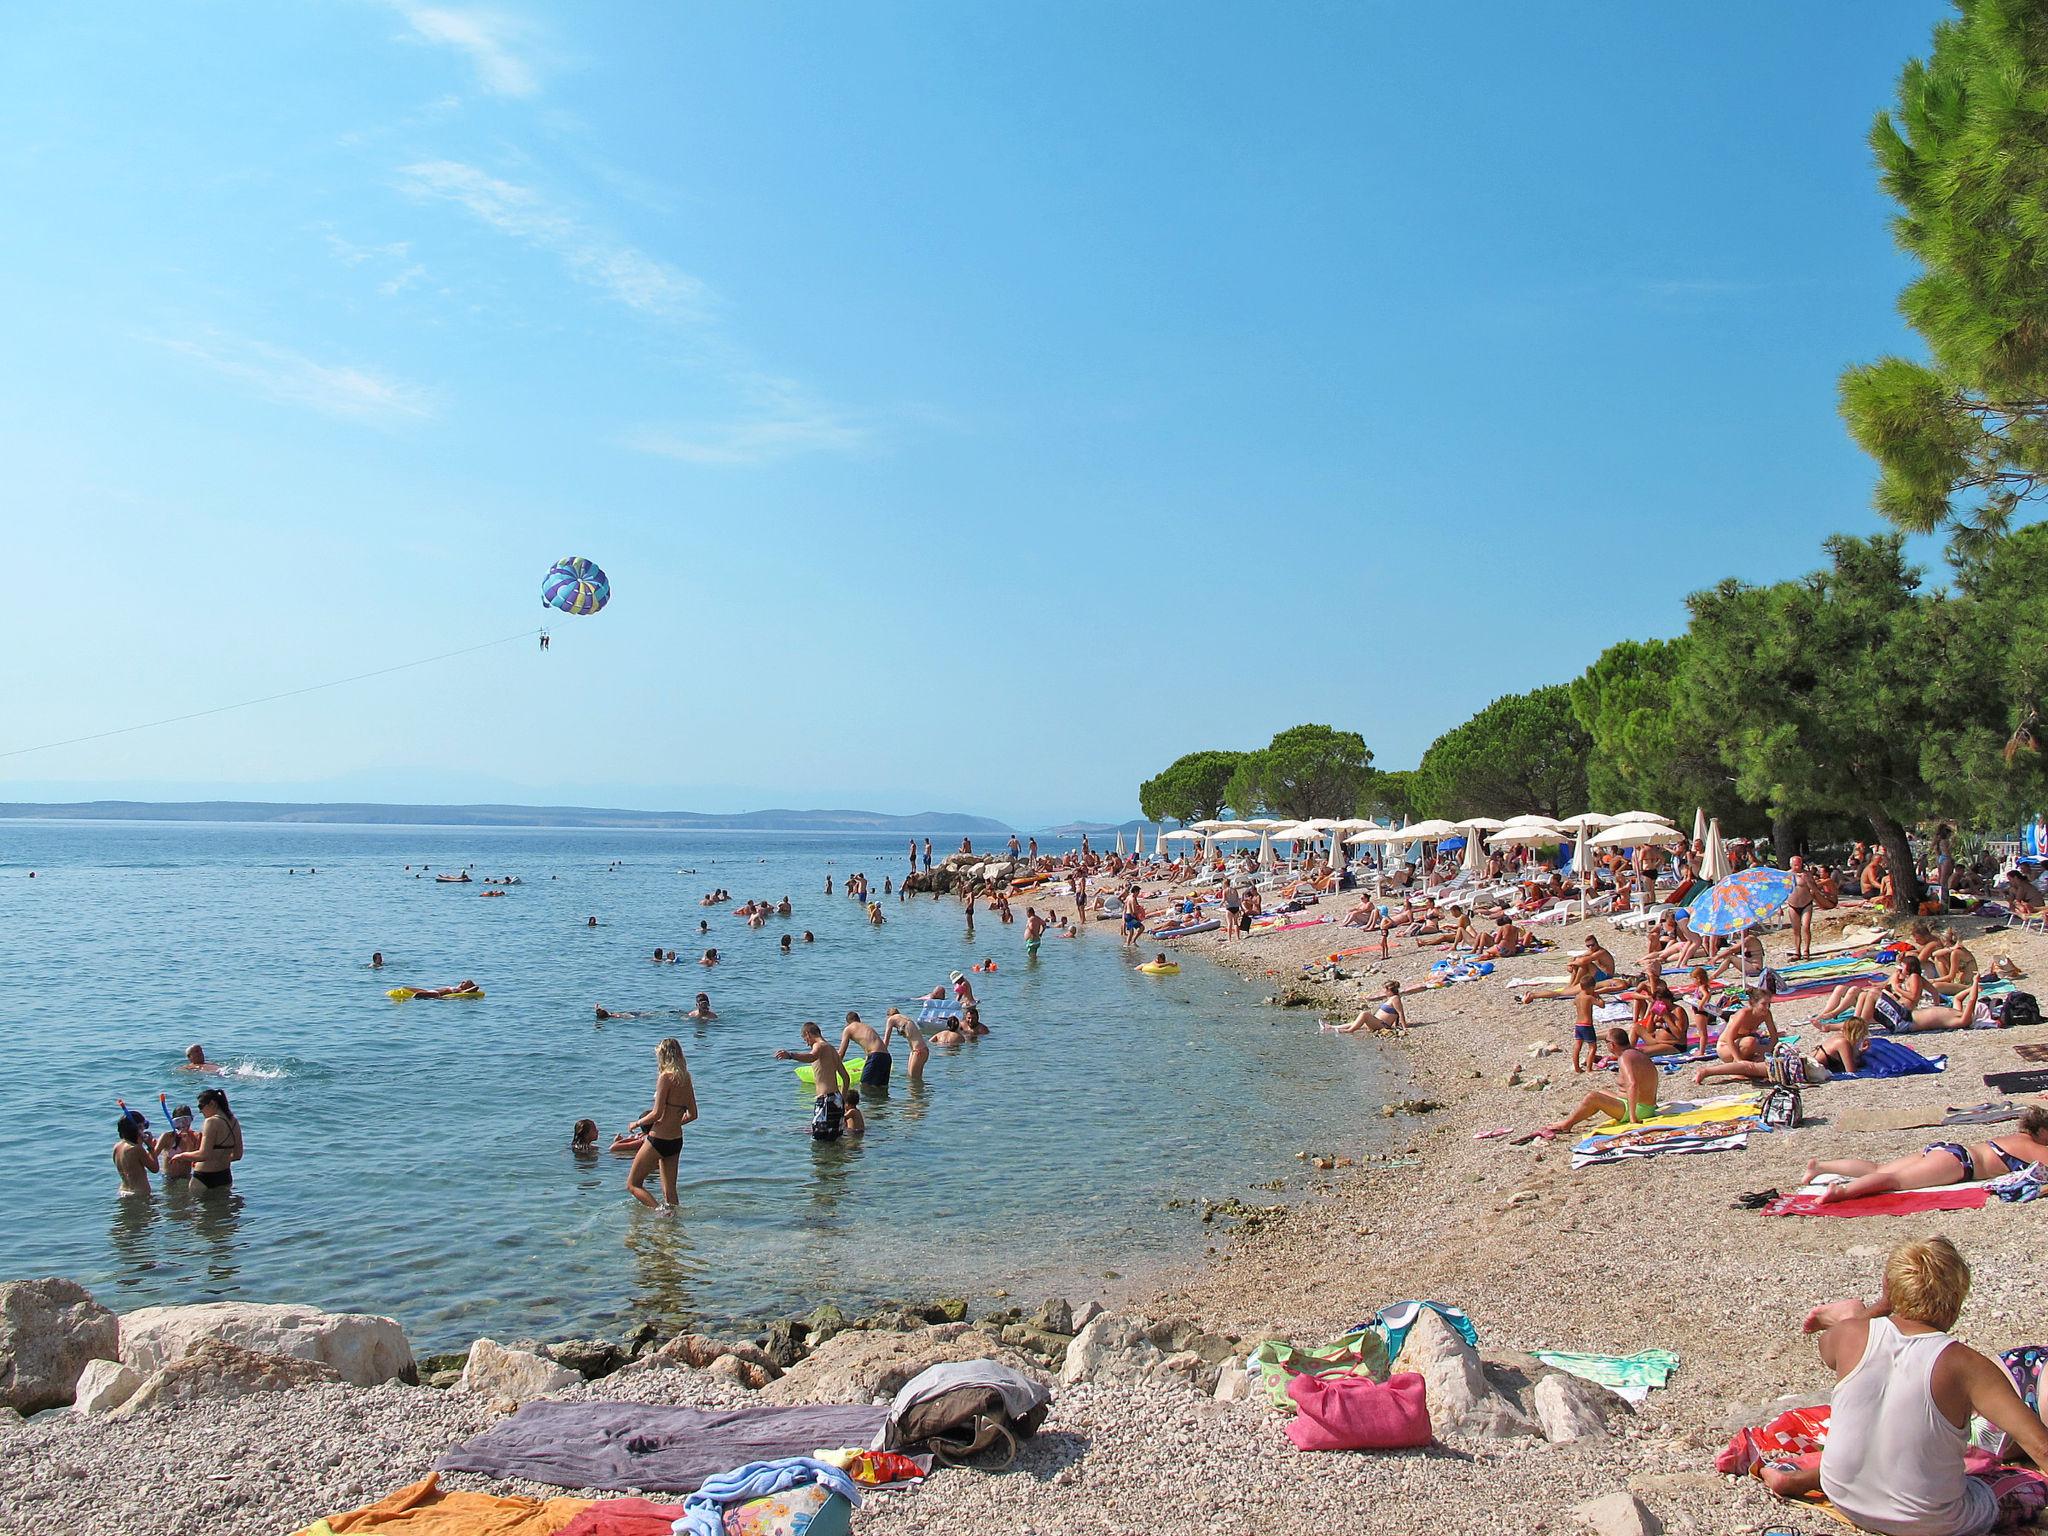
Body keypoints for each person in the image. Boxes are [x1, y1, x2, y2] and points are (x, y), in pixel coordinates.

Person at [1757, 1238, 2048, 1533]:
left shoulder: (1847, 1336)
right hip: (1931, 1522)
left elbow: (1827, 1350)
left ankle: (1798, 1480)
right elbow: (2040, 1446)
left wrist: (1881, 1307)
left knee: (1879, 1447)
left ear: (1890, 1287)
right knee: (2025, 1482)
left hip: (1844, 1497)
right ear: (1957, 1297)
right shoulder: (1966, 1364)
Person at [1804, 1105, 2048, 1205]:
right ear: (2043, 1131)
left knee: (1880, 1169)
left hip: (1950, 1152)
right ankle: (1842, 1191)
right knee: (1894, 1181)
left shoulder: (2017, 1138)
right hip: (1960, 1164)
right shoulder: (2032, 1146)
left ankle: (1821, 1167)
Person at [1536, 1028, 1659, 1138]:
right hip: (1647, 1106)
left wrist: (1633, 1118)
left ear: (1612, 1045)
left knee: (1593, 1097)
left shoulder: (1624, 1058)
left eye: (1606, 1042)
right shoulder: (1637, 1054)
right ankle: (1577, 1118)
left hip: (1640, 1110)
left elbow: (1633, 1084)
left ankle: (1566, 1125)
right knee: (1601, 1093)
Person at [624, 1038, 696, 1213]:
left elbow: (656, 1113)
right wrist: (674, 1122)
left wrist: (637, 1123)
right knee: (670, 1192)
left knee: (633, 1184)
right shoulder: (686, 1078)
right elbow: (693, 1115)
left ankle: (661, 1212)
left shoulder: (665, 1077)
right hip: (676, 1140)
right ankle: (674, 1229)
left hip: (658, 1139)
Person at [776, 1023, 849, 1139]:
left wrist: (790, 1055)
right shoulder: (832, 1049)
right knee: (834, 1139)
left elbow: (811, 1056)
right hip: (836, 1099)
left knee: (819, 1140)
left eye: (804, 1039)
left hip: (825, 1100)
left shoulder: (818, 1046)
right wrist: (842, 1100)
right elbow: (846, 1077)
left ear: (808, 1034)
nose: (806, 1043)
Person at [171, 1088, 243, 1190]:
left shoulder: (211, 1121)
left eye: (201, 1106)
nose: (200, 1111)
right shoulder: (234, 1121)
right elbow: (238, 1155)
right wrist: (219, 1158)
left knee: (195, 1205)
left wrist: (181, 1156)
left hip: (204, 1177)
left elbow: (203, 1154)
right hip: (225, 1176)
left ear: (212, 1103)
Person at [840, 1010, 890, 1091]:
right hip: (886, 1057)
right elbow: (872, 1049)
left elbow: (841, 1053)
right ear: (859, 1020)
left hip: (875, 1056)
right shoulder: (867, 1027)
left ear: (847, 1022)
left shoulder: (848, 1029)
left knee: (864, 1086)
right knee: (882, 1088)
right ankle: (882, 1104)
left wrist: (834, 1069)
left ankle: (867, 1103)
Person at [1336, 980, 1407, 1034]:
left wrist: (1404, 1026)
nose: (1383, 991)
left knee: (1365, 1014)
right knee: (1355, 1023)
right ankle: (1332, 1027)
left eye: (1384, 989)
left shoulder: (1395, 998)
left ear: (1388, 989)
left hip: (1383, 1025)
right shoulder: (1391, 998)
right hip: (1377, 1022)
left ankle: (1350, 1031)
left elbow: (1400, 1012)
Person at [113, 1115, 159, 1194]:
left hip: (123, 1192)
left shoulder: (117, 1147)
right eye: (143, 1127)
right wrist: (150, 1147)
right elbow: (155, 1169)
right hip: (139, 1195)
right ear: (138, 1130)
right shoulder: (137, 1149)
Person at [155, 1104, 199, 1183]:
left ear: (191, 1119)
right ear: (173, 1122)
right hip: (168, 1178)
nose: (183, 1124)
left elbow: (195, 1160)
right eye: (178, 1121)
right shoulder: (167, 1137)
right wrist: (150, 1146)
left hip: (186, 1178)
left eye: (186, 1120)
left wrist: (188, 1141)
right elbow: (153, 1157)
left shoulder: (195, 1137)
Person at [883, 1006, 928, 1080]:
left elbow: (886, 1042)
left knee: (913, 1080)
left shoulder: (891, 1019)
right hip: (921, 1050)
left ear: (888, 1016)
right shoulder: (905, 1019)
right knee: (914, 1079)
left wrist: (877, 1053)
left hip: (918, 1051)